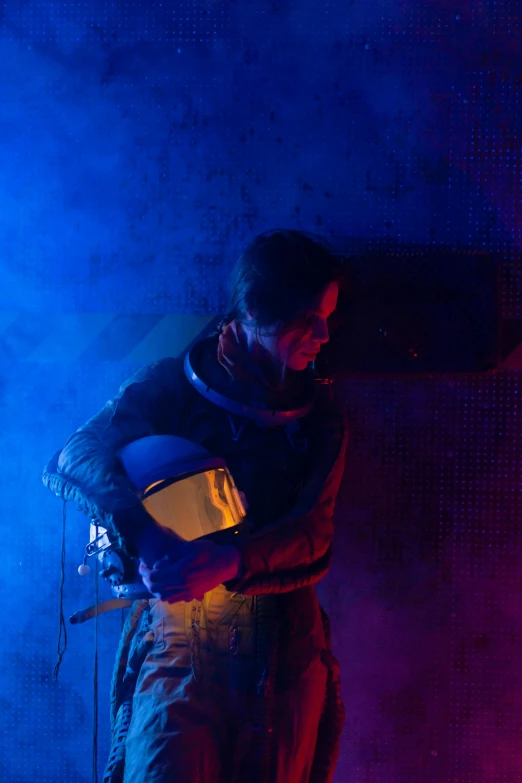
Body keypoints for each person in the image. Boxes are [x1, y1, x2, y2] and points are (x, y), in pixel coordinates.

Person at [45, 229, 349, 783]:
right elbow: (77, 455)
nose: (324, 335)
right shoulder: (172, 388)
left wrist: (227, 563)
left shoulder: (320, 416)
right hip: (178, 648)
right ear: (256, 311)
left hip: (282, 650)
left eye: (328, 315)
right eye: (309, 319)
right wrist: (148, 534)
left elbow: (314, 532)